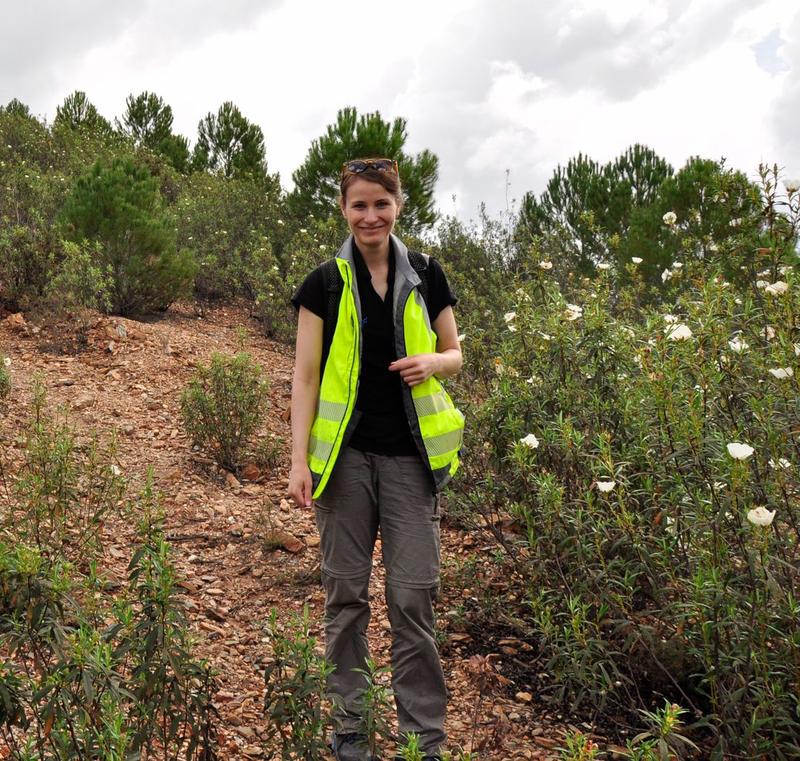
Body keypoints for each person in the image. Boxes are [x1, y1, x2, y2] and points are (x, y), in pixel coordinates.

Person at [288, 157, 464, 761]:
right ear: (343, 208)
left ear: (399, 206)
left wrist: (433, 364)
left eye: (380, 204)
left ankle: (423, 746)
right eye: (358, 204)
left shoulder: (427, 274)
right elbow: (306, 377)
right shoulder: (323, 284)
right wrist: (298, 462)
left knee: (413, 601)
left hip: (411, 463)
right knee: (346, 601)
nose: (370, 216)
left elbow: (455, 352)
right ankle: (351, 739)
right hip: (344, 464)